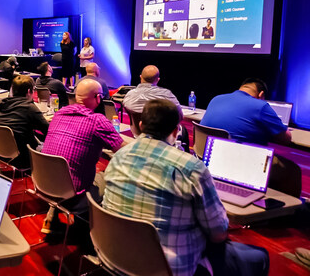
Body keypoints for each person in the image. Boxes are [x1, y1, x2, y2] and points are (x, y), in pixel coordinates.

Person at [103, 99, 268, 276]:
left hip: (115, 257)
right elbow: (218, 233)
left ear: (141, 125)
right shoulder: (190, 168)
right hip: (168, 269)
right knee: (259, 256)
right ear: (176, 131)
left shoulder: (119, 156)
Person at [40, 79, 124, 233]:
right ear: (98, 98)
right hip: (74, 196)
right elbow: (124, 151)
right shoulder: (97, 121)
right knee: (111, 174)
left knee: (67, 170)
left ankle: (54, 211)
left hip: (44, 186)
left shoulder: (58, 114)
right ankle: (95, 232)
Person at [201, 78, 291, 146]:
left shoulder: (216, 99)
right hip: (238, 161)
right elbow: (286, 138)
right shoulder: (261, 106)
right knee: (290, 167)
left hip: (206, 155)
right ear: (261, 94)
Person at [0, 75, 49, 168]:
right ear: (29, 91)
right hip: (23, 157)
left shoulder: (2, 104)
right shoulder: (29, 108)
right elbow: (48, 131)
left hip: (1, 154)